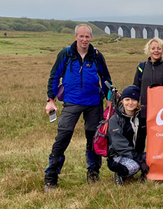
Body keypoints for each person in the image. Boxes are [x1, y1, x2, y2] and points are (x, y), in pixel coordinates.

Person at [44, 24, 112, 191]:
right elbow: (55, 76)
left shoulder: (96, 55)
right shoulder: (66, 54)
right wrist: (50, 99)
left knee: (93, 138)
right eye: (81, 36)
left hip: (94, 103)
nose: (84, 39)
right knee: (62, 137)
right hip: (71, 102)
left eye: (87, 36)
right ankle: (51, 177)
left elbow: (105, 78)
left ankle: (93, 172)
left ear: (91, 38)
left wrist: (109, 99)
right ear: (76, 37)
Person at [107, 85, 149, 186]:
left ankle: (145, 174)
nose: (130, 103)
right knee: (134, 167)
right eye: (127, 99)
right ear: (122, 101)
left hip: (137, 154)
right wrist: (138, 159)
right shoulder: (115, 120)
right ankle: (120, 174)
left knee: (155, 159)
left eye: (134, 100)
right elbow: (119, 144)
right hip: (118, 156)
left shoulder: (142, 117)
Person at [132, 37, 163, 151]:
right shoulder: (141, 67)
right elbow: (136, 87)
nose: (156, 51)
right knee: (140, 138)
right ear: (148, 50)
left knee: (159, 138)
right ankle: (139, 161)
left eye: (159, 48)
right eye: (153, 48)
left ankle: (158, 160)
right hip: (144, 110)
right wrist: (134, 104)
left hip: (161, 111)